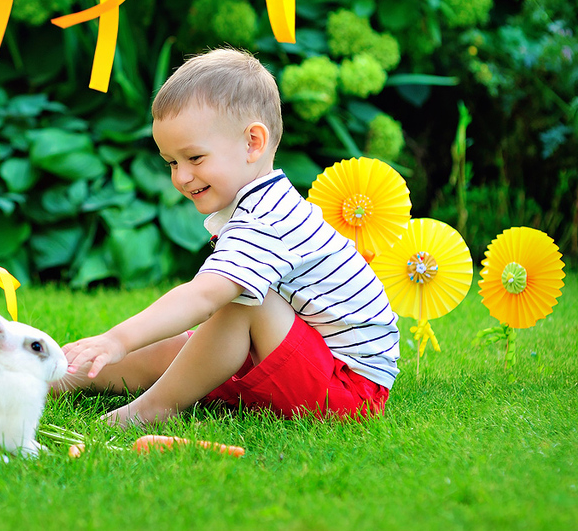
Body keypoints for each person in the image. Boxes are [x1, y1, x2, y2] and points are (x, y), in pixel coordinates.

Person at [60, 47, 399, 425]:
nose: (181, 177)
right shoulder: (262, 203)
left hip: (348, 392)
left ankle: (153, 409)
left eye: (194, 158)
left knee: (240, 300)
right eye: (172, 162)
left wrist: (118, 339)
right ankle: (56, 373)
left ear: (253, 142)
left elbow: (205, 296)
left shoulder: (266, 218)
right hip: (304, 365)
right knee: (185, 347)